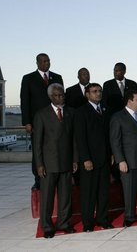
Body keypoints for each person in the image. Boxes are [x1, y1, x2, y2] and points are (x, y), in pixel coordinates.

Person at [33, 83, 76, 238]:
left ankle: (64, 223)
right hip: (48, 164)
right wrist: (39, 164)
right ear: (51, 97)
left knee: (66, 197)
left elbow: (74, 140)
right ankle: (47, 226)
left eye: (62, 94)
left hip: (66, 162)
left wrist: (75, 160)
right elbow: (37, 143)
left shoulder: (71, 113)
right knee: (47, 198)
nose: (61, 97)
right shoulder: (41, 114)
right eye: (57, 95)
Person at [109, 90, 137, 227]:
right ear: (129, 101)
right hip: (129, 162)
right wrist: (120, 160)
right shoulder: (118, 117)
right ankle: (129, 216)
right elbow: (115, 141)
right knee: (130, 191)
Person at [21, 53, 64, 190]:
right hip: (37, 121)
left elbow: (62, 99)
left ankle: (58, 175)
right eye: (44, 61)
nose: (47, 63)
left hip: (55, 119)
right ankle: (38, 179)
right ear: (37, 62)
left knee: (57, 147)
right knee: (38, 149)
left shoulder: (57, 77)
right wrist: (27, 122)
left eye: (48, 61)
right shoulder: (28, 78)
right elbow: (25, 101)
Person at [74, 83, 113, 232]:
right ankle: (88, 223)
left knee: (103, 192)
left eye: (100, 91)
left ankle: (103, 219)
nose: (98, 93)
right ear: (87, 94)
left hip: (104, 159)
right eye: (94, 91)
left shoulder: (105, 110)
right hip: (89, 160)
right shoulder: (81, 112)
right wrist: (85, 159)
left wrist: (111, 154)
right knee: (88, 193)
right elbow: (80, 138)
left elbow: (108, 135)